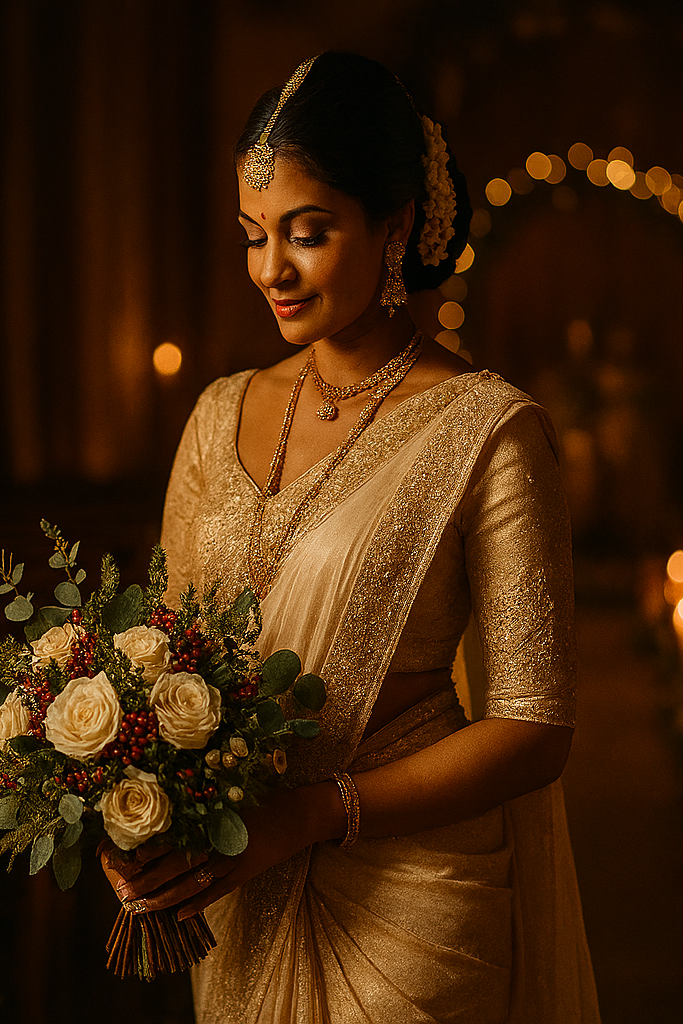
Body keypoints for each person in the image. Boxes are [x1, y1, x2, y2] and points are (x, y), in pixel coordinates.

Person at [100, 52, 600, 1023]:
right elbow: (157, 662)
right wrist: (131, 805)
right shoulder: (215, 417)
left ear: (397, 225)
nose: (271, 271)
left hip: (413, 905)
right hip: (242, 886)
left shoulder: (488, 430)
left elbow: (535, 728)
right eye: (253, 237)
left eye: (309, 234)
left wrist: (316, 813)